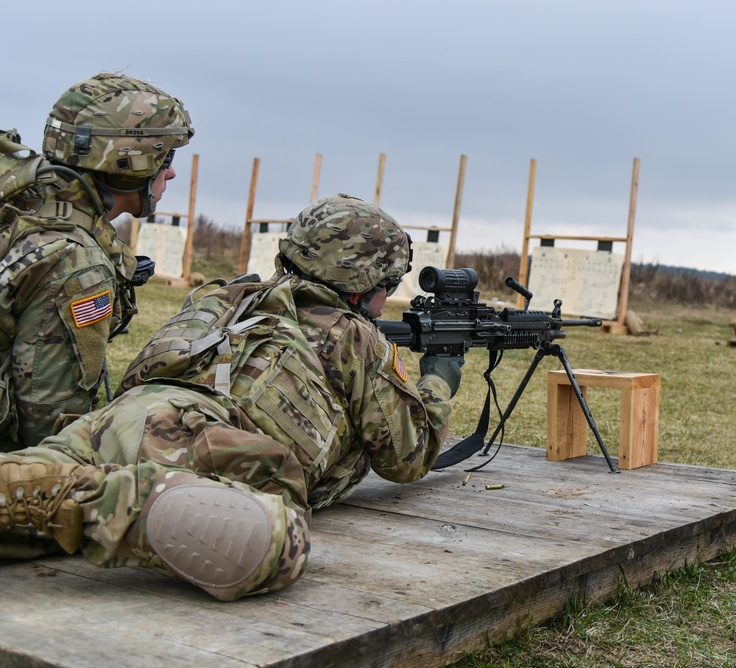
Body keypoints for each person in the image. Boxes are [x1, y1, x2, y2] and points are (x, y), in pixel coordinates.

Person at [0, 194, 465, 601]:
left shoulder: (229, 297)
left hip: (122, 418)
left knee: (22, 512)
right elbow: (407, 456)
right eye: (387, 288)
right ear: (365, 287)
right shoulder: (355, 338)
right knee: (279, 545)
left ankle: (45, 486)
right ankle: (84, 498)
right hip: (209, 447)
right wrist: (438, 380)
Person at [0, 72, 194, 451]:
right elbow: (49, 438)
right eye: (165, 156)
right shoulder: (75, 265)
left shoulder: (24, 199)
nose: (170, 171)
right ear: (130, 162)